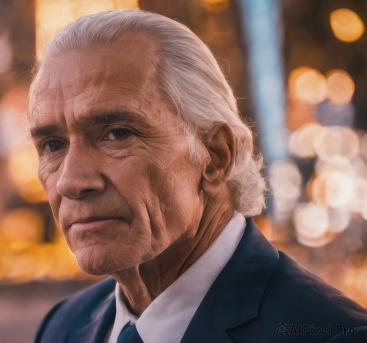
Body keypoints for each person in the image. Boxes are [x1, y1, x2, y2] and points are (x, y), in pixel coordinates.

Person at [27, 9, 367, 343]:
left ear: (216, 156)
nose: (69, 182)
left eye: (117, 134)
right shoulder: (63, 326)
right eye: (53, 144)